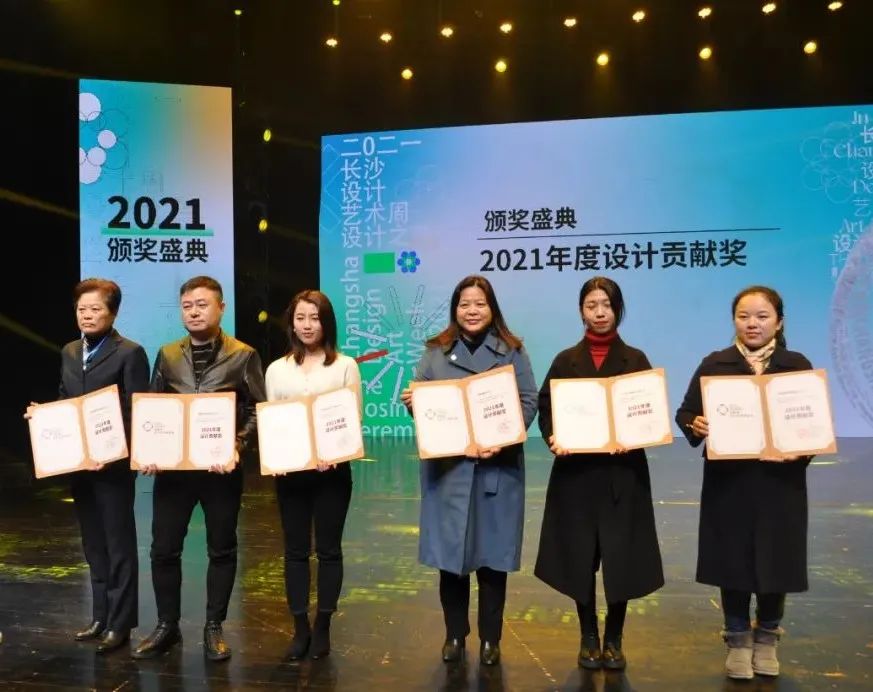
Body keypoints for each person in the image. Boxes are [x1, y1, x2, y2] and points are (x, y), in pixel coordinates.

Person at [675, 285, 813, 680]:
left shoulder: (795, 365)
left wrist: (800, 451)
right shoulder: (715, 364)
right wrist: (695, 424)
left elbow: (813, 422)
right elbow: (686, 412)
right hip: (729, 483)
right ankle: (737, 638)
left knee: (776, 559)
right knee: (732, 560)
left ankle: (767, 636)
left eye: (762, 316)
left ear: (779, 322)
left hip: (779, 483)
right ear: (734, 320)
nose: (752, 324)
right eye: (744, 316)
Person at [400, 275, 537, 666]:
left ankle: (491, 639)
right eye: (464, 304)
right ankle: (455, 635)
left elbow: (528, 400)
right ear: (454, 309)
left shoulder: (512, 351)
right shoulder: (435, 351)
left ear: (492, 308)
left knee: (493, 562)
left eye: (480, 303)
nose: (472, 311)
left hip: (498, 470)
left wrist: (504, 438)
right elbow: (423, 402)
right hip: (449, 472)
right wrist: (413, 402)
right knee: (452, 562)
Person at [132, 276, 266, 662]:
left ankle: (213, 627)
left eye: (202, 304)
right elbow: (154, 407)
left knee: (221, 549)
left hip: (219, 470)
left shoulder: (243, 355)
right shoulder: (168, 354)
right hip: (173, 472)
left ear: (221, 308)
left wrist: (237, 445)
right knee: (163, 549)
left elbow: (258, 409)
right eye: (187, 305)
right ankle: (167, 626)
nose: (194, 312)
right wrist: (150, 449)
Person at [534, 277, 664, 671]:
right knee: (579, 557)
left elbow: (648, 412)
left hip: (622, 474)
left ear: (618, 309)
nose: (600, 312)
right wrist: (553, 437)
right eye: (592, 305)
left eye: (607, 305)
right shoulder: (565, 360)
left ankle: (615, 638)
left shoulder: (635, 359)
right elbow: (546, 407)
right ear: (581, 311)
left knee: (621, 559)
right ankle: (588, 634)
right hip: (575, 475)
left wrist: (635, 437)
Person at [35, 278, 150, 653]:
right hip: (79, 465)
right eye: (81, 309)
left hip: (112, 468)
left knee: (119, 545)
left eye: (95, 309)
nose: (87, 315)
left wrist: (114, 452)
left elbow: (136, 412)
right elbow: (66, 400)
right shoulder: (70, 351)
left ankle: (121, 623)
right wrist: (44, 416)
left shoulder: (129, 352)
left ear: (112, 313)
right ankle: (101, 616)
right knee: (93, 544)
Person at [265, 290, 362, 661]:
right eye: (300, 318)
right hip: (291, 474)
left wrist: (333, 453)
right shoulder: (277, 369)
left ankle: (322, 625)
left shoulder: (345, 366)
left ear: (327, 323)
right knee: (294, 551)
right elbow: (272, 420)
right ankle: (299, 628)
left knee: (329, 550)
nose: (307, 325)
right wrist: (278, 456)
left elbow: (352, 419)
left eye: (315, 318)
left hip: (331, 475)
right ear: (291, 323)